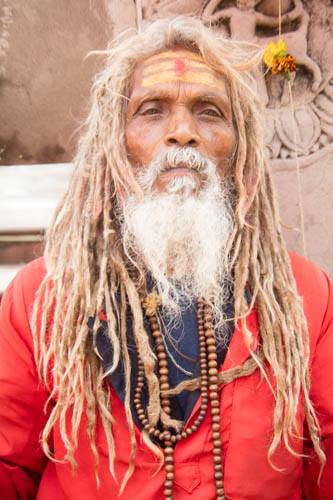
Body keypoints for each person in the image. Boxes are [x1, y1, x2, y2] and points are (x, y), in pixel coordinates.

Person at [0, 16, 332, 500]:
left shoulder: (305, 297)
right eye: (152, 111)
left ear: (240, 151)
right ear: (114, 147)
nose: (182, 133)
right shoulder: (42, 298)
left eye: (209, 111)